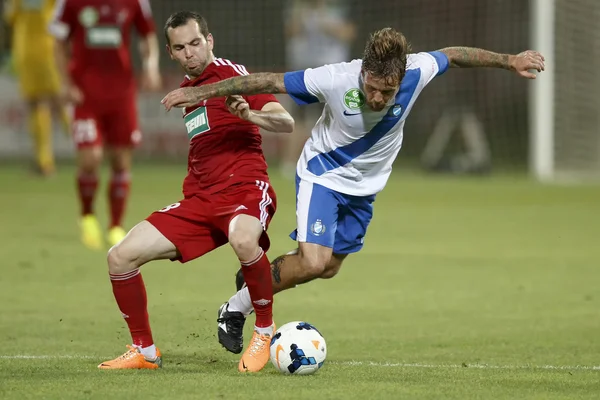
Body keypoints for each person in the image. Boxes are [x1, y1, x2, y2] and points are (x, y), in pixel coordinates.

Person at [161, 28, 545, 354]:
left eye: (387, 91)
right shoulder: (334, 77)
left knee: (327, 269)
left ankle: (253, 281)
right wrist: (201, 94)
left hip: (367, 187)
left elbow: (455, 55)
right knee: (313, 261)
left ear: (402, 75)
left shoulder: (419, 69)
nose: (378, 97)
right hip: (322, 174)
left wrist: (510, 60)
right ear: (362, 73)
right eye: (373, 87)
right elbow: (266, 81)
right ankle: (237, 307)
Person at [96, 11, 294, 372]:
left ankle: (264, 331)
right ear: (170, 53)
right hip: (201, 201)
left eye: (196, 44)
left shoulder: (233, 75)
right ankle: (145, 351)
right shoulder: (186, 92)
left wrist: (249, 116)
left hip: (245, 189)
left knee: (243, 238)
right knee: (119, 257)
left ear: (210, 41)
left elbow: (285, 122)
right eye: (180, 48)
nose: (190, 53)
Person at [48, 0, 161, 250]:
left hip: (122, 93)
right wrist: (65, 83)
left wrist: (151, 67)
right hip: (85, 95)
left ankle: (115, 226)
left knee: (121, 161)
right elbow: (57, 41)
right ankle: (87, 216)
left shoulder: (135, 2)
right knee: (91, 159)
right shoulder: (71, 2)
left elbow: (148, 35)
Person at [280, 0, 355, 178]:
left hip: (333, 71)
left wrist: (326, 22)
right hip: (304, 70)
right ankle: (289, 164)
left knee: (338, 117)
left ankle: (340, 162)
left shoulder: (339, 7)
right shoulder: (297, 7)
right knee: (298, 118)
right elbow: (290, 31)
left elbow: (348, 33)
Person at [4, 0, 71, 176]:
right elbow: (63, 16)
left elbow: (10, 17)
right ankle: (84, 142)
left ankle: (44, 160)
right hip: (48, 48)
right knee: (56, 97)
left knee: (38, 102)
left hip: (26, 50)